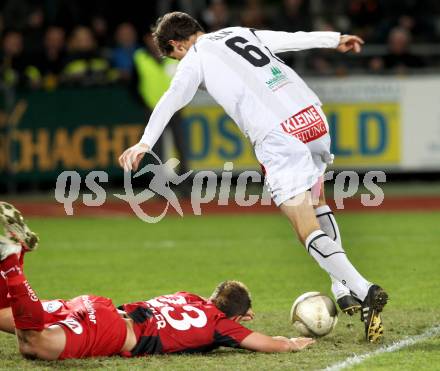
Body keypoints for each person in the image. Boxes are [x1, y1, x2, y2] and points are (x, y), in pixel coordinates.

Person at [118, 12, 388, 343]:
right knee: (317, 203)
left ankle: (364, 289)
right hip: (312, 118)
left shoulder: (195, 57)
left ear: (176, 44)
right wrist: (335, 39)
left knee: (304, 227)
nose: (177, 61)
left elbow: (171, 98)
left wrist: (145, 142)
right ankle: (340, 286)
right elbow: (292, 37)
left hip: (277, 135)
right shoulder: (238, 32)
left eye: (174, 55)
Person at [0, 202, 314, 360]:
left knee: (8, 319)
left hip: (93, 306)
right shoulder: (222, 324)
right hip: (109, 329)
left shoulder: (188, 297)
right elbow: (266, 344)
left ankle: (9, 260)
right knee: (34, 343)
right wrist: (292, 343)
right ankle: (14, 260)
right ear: (241, 316)